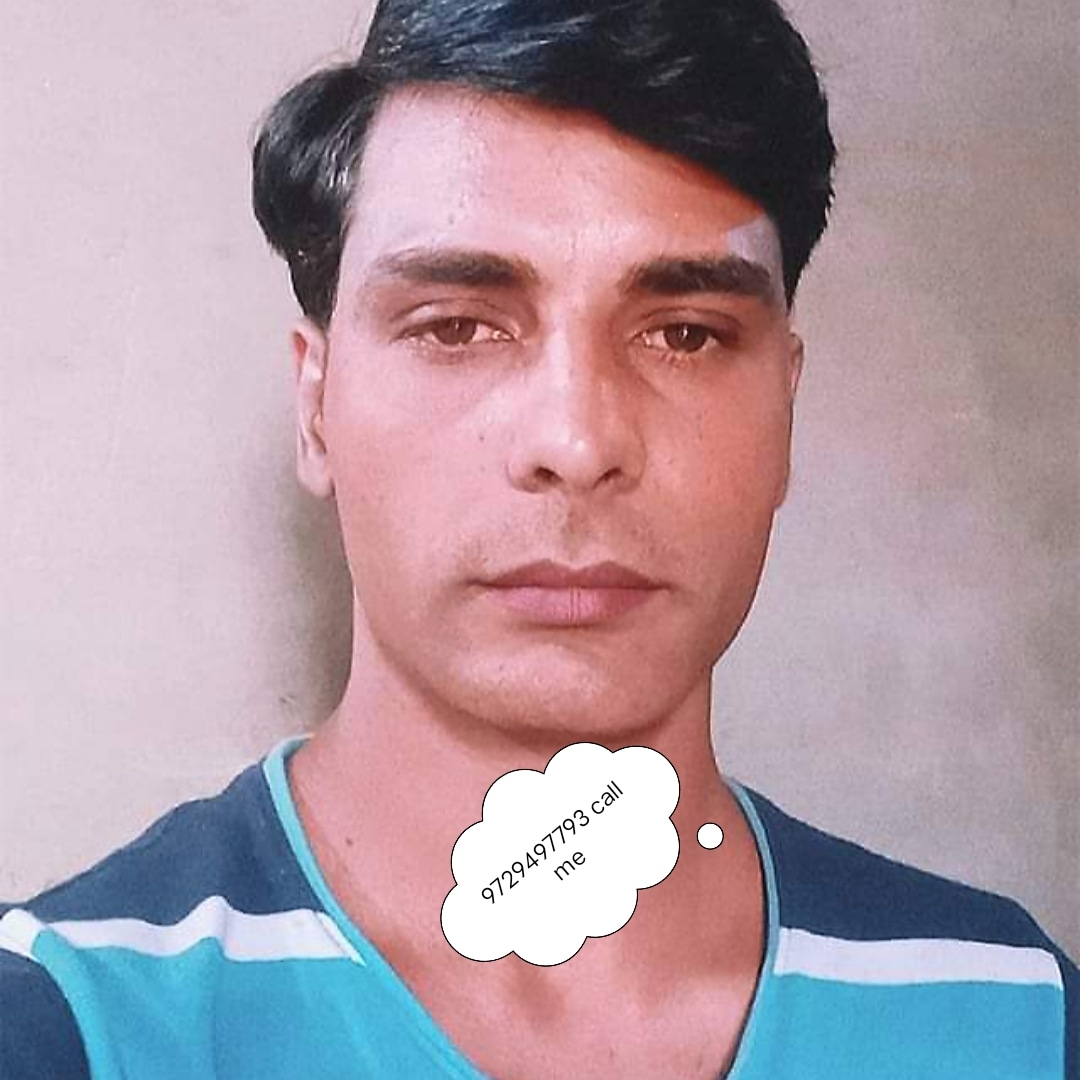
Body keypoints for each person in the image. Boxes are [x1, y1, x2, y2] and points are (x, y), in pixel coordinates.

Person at [1, 0, 1074, 1076]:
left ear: (784, 411)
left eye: (684, 334)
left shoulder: (1013, 1018)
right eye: (457, 326)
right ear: (316, 407)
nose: (578, 440)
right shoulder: (68, 1021)